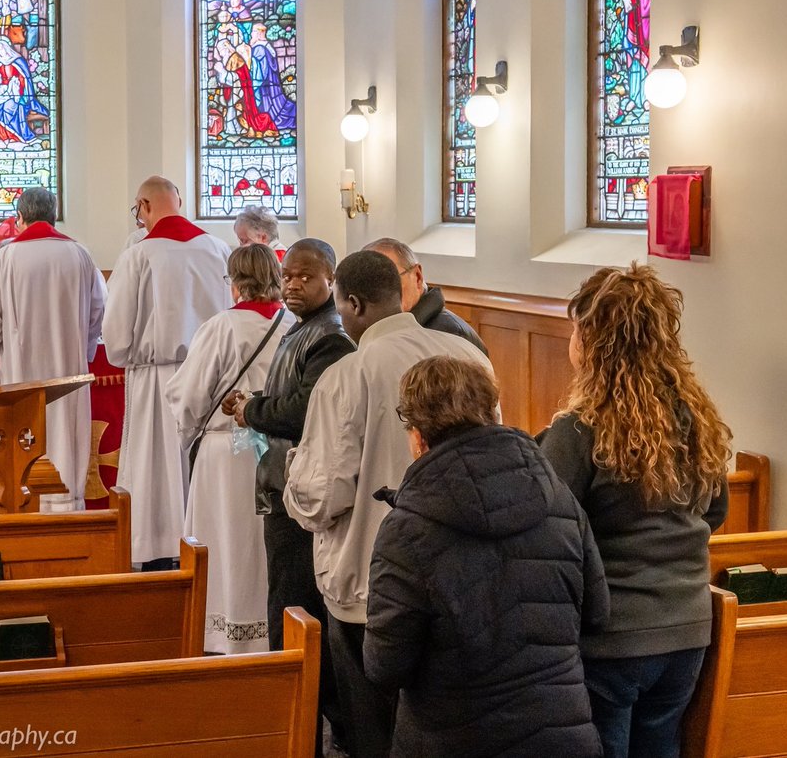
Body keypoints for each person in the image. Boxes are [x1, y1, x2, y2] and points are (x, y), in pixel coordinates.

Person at [284, 250, 491, 758]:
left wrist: (290, 476)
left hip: (368, 586)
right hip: (465, 577)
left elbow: (320, 497)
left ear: (352, 304)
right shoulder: (468, 356)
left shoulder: (347, 375)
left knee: (374, 729)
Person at [366, 356, 607, 757]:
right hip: (561, 733)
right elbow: (597, 614)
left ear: (419, 437)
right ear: (491, 414)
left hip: (454, 738)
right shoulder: (558, 497)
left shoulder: (406, 531)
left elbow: (385, 666)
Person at [538, 264, 731, 758]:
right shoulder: (696, 418)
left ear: (591, 341)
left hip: (613, 635)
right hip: (686, 630)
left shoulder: (580, 429)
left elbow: (549, 526)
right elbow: (715, 511)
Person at [223, 238, 355, 755]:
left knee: (295, 608)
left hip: (299, 495)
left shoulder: (329, 338)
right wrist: (258, 402)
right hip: (284, 485)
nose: (293, 284)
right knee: (288, 601)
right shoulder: (300, 328)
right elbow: (289, 397)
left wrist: (252, 411)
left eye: (306, 276)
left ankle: (300, 728)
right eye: (288, 276)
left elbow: (305, 410)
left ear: (331, 280)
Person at [164, 244, 290, 654]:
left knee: (226, 545)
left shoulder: (222, 327)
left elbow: (189, 397)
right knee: (266, 548)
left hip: (226, 456)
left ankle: (225, 634)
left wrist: (189, 432)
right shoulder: (293, 324)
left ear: (235, 283)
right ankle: (271, 632)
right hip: (280, 454)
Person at [103, 176, 232, 569]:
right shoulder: (218, 249)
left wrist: (125, 355)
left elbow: (116, 334)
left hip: (157, 378)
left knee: (157, 469)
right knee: (199, 464)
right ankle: (204, 545)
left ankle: (158, 549)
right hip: (211, 375)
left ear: (144, 205)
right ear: (177, 200)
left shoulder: (138, 255)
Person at [0, 187, 107, 510]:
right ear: (53, 215)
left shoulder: (4, 259)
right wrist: (83, 347)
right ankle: (67, 506)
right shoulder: (80, 255)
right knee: (65, 438)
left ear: (19, 217)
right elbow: (98, 309)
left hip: (20, 372)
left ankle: (25, 505)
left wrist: (0, 351)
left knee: (25, 437)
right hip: (68, 369)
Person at [364, 237, 487, 354]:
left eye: (388, 280)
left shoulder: (451, 335)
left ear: (417, 277)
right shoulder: (384, 327)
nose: (378, 293)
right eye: (368, 285)